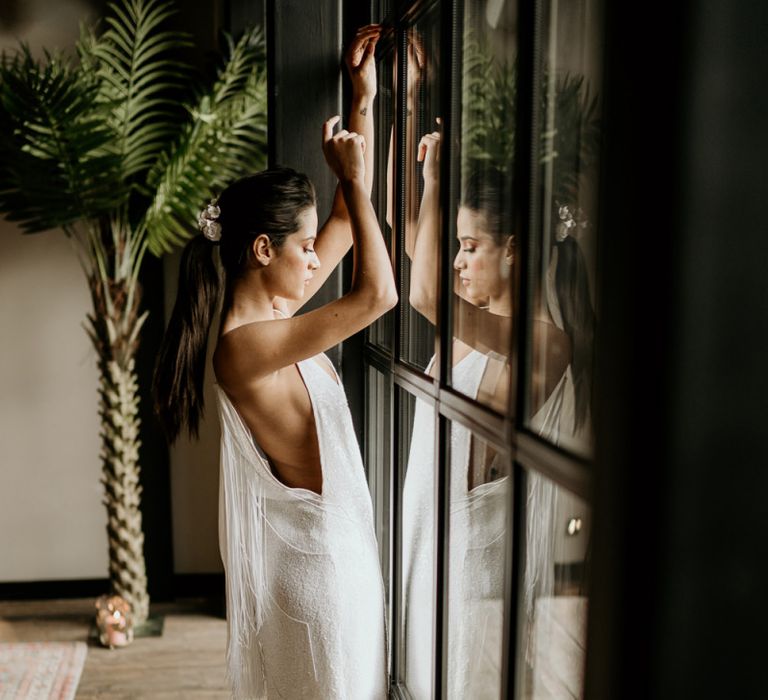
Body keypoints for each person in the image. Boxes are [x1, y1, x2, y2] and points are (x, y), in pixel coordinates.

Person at [153, 25, 396, 699]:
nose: (317, 257)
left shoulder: (272, 322)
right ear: (263, 250)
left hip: (337, 560)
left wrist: (365, 102)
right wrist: (348, 176)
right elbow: (380, 293)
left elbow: (350, 219)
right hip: (318, 577)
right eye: (305, 248)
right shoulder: (246, 346)